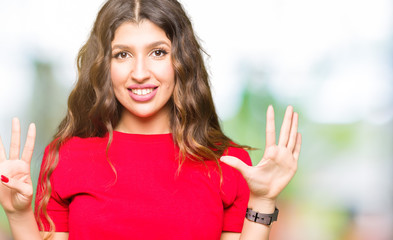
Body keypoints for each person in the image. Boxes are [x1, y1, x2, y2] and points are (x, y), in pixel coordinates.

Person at [0, 0, 302, 239]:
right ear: (104, 66)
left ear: (181, 62)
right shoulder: (66, 156)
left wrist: (263, 200)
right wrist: (17, 215)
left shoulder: (229, 163)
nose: (141, 72)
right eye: (122, 55)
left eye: (158, 52)